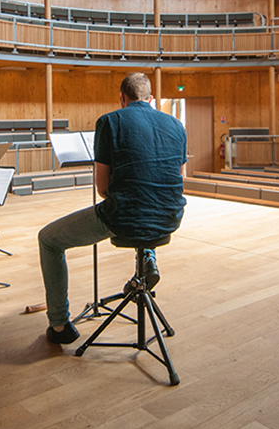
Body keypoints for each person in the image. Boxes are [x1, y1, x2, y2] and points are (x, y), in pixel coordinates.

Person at [38, 72, 188, 345]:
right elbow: (179, 178)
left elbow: (103, 188)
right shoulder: (177, 125)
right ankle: (148, 259)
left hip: (125, 217)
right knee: (146, 201)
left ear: (122, 97)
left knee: (48, 240)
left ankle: (60, 326)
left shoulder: (110, 121)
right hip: (170, 216)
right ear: (151, 99)